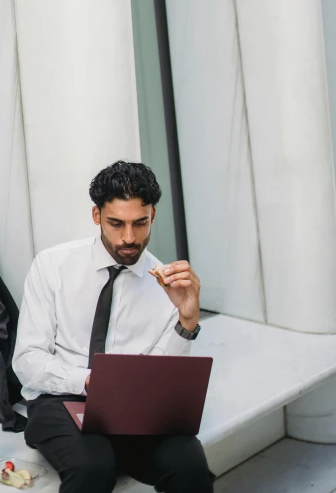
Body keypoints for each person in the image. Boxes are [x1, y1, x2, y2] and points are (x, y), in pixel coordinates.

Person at [12, 161, 214, 492]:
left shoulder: (166, 282)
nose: (129, 238)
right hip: (60, 398)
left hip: (135, 406)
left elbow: (162, 376)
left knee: (189, 466)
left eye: (140, 223)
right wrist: (90, 381)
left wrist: (187, 321)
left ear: (154, 216)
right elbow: (27, 359)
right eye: (116, 224)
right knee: (93, 467)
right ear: (97, 216)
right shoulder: (53, 265)